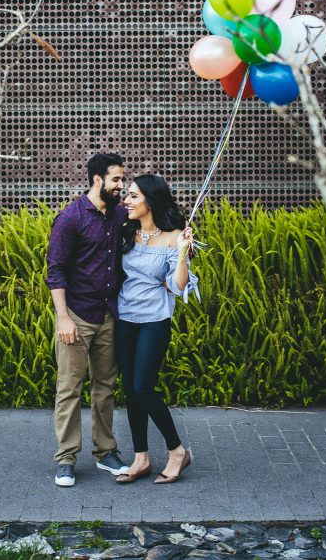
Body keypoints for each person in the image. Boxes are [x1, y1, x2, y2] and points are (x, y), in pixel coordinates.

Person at [45, 152, 132, 487]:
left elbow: (152, 226)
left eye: (122, 180)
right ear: (98, 180)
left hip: (110, 314)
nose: (121, 185)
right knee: (69, 389)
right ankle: (66, 459)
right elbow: (55, 273)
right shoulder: (70, 218)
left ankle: (106, 452)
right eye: (116, 180)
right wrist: (63, 319)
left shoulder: (118, 215)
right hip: (77, 317)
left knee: (105, 388)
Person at [113, 174, 197, 485]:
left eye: (133, 196)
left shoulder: (175, 236)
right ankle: (141, 458)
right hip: (124, 318)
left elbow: (178, 286)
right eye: (127, 195)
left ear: (151, 200)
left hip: (154, 320)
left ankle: (177, 452)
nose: (127, 200)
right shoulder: (126, 232)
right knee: (130, 392)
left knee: (142, 388)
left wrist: (182, 252)